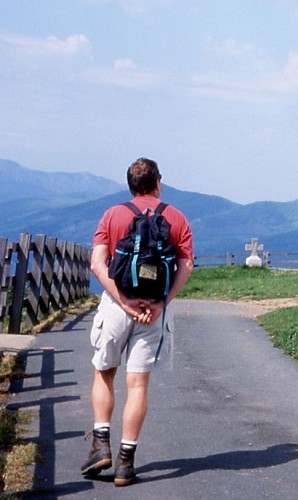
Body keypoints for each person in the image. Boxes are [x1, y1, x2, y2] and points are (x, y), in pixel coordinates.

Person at [81, 157, 193, 486]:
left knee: (104, 373)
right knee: (138, 385)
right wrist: (161, 302)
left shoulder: (113, 215)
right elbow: (185, 266)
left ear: (130, 185)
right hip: (154, 311)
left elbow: (98, 263)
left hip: (118, 306)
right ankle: (126, 463)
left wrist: (123, 300)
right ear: (158, 182)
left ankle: (101, 443)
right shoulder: (176, 217)